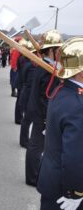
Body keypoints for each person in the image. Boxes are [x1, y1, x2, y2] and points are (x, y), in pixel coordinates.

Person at [37, 37, 83, 210]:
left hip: (52, 179)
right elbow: (75, 156)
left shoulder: (61, 89)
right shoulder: (78, 103)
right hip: (65, 189)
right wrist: (76, 191)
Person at [25, 29, 63, 186]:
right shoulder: (47, 68)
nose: (60, 52)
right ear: (52, 50)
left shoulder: (48, 65)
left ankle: (34, 176)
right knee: (36, 144)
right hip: (42, 113)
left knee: (38, 144)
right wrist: (48, 117)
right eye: (58, 49)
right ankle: (33, 178)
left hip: (39, 111)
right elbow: (45, 95)